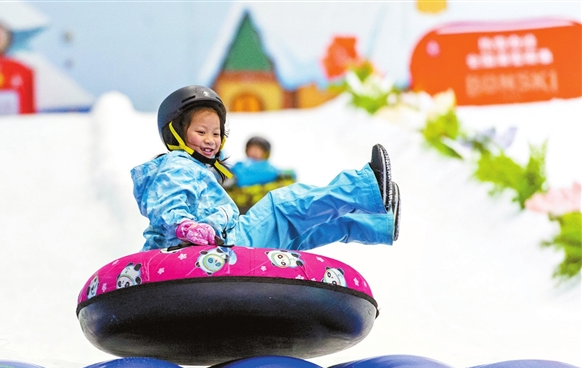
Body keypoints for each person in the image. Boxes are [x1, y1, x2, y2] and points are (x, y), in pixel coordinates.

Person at [130, 85, 400, 252]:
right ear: (175, 134)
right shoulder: (176, 166)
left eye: (216, 133)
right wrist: (185, 226)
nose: (211, 140)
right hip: (218, 246)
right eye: (201, 131)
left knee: (304, 232)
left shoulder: (201, 169)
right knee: (281, 207)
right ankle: (367, 189)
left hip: (222, 245)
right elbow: (167, 204)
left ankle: (380, 223)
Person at [230, 136, 296, 188]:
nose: (253, 152)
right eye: (251, 149)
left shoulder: (269, 168)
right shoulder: (240, 165)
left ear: (265, 153)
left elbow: (290, 173)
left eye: (257, 150)